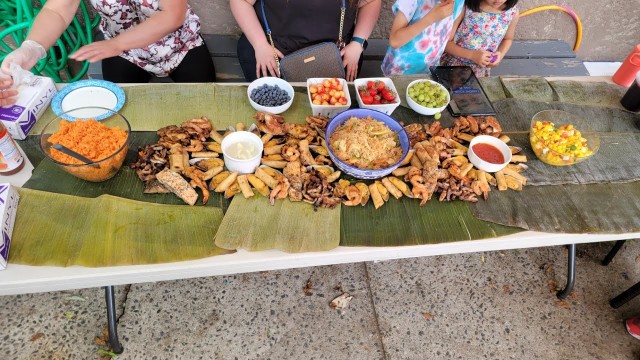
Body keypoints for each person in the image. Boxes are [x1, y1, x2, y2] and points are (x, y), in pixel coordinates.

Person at [0, 0, 215, 101]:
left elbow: (172, 15)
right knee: (119, 115)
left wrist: (116, 44)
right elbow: (58, 9)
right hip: (122, 52)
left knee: (206, 103)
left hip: (180, 44)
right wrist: (31, 48)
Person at [230, 0, 381, 82]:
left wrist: (357, 42)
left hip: (336, 59)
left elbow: (371, 2)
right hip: (272, 58)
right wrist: (260, 44)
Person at [381, 0, 464, 76]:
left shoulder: (459, 2)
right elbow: (394, 41)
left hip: (429, 73)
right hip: (398, 73)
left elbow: (447, 37)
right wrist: (431, 18)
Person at [440, 0, 519, 77]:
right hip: (452, 67)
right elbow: (446, 44)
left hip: (479, 72)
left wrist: (500, 54)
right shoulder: (465, 7)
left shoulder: (512, 12)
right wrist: (472, 55)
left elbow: (508, 39)